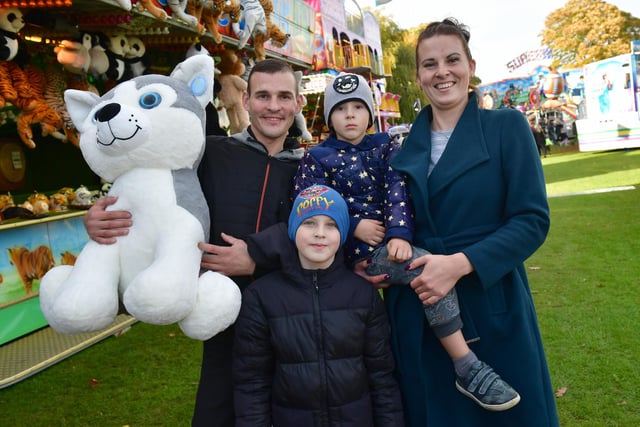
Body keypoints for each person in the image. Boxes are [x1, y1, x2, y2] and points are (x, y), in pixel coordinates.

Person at [353, 18, 559, 426]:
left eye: (452, 59)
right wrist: (368, 261)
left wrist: (460, 263)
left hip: (489, 297)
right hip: (417, 306)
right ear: (418, 75)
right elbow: (386, 218)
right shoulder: (399, 146)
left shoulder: (506, 128)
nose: (441, 71)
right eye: (429, 64)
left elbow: (532, 219)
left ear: (470, 65)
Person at [82, 58, 306, 427]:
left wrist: (256, 257)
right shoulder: (211, 153)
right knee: (219, 406)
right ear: (246, 100)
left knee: (288, 404)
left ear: (297, 103)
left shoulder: (307, 166)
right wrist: (96, 216)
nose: (274, 106)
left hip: (286, 305)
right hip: (219, 307)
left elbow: (315, 229)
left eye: (284, 96)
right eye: (263, 95)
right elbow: (152, 191)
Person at [293, 72, 520, 411]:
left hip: (388, 244)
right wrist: (353, 225)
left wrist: (399, 235)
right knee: (421, 274)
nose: (351, 115)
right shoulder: (318, 157)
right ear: (329, 117)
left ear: (371, 113)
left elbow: (397, 192)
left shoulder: (385, 147)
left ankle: (460, 358)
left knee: (422, 267)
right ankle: (465, 364)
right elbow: (309, 203)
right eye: (341, 110)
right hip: (346, 252)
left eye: (358, 107)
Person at [233, 185, 404, 426]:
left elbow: (382, 377)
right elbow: (252, 382)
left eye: (331, 225)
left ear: (342, 233)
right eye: (309, 223)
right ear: (293, 229)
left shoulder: (363, 295)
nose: (320, 233)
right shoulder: (261, 297)